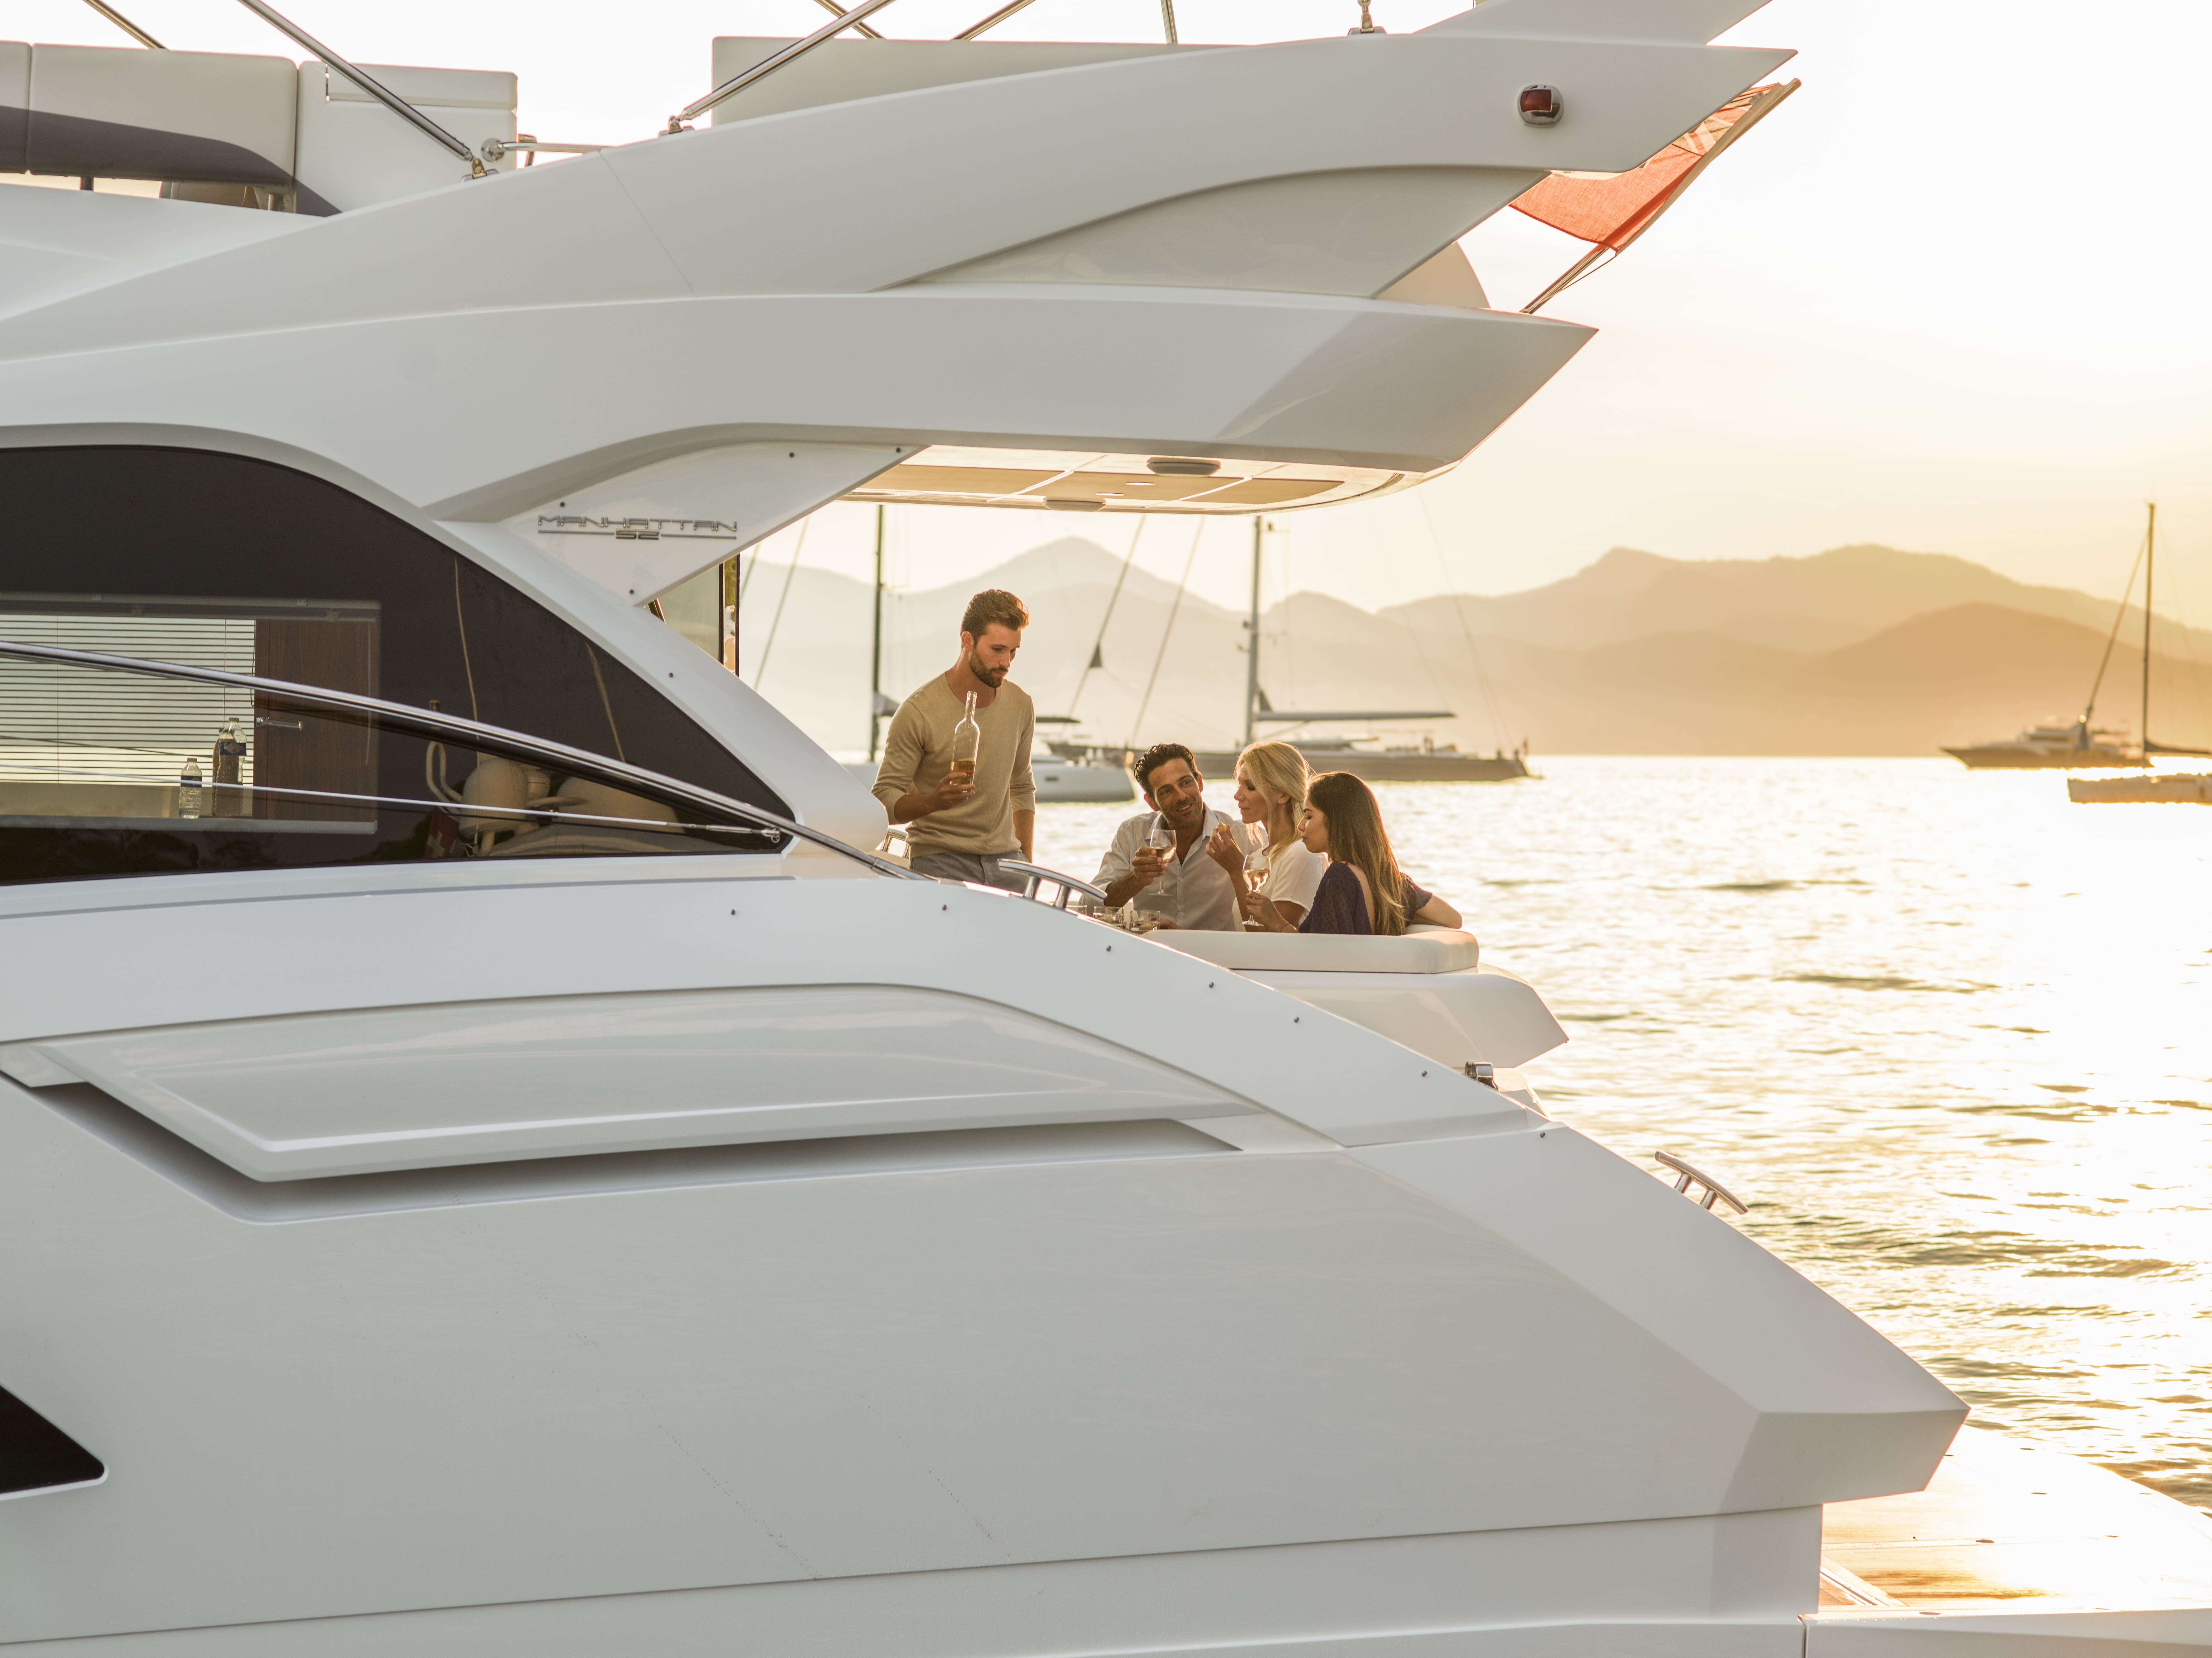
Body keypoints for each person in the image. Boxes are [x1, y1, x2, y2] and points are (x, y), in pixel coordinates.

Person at [872, 589, 1036, 890]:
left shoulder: (1020, 704)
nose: (1006, 662)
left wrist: (1024, 860)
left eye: (1013, 652)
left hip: (1007, 862)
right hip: (939, 859)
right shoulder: (918, 712)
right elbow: (883, 799)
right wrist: (932, 801)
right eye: (997, 649)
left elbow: (1022, 784)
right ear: (967, 640)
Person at [1254, 770, 1464, 935]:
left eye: (1309, 817)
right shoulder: (1392, 883)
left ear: (1337, 822)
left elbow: (1321, 958)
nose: (1300, 826)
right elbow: (1453, 919)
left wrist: (1277, 922)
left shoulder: (1340, 876)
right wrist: (1401, 915)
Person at [1094, 742, 1243, 930]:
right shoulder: (1132, 832)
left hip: (1213, 957)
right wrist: (1135, 880)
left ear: (1200, 782)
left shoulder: (1241, 836)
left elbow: (1266, 919)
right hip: (1152, 954)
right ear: (1152, 803)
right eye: (1166, 791)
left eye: (1186, 783)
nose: (1181, 796)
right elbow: (1090, 906)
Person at [1204, 739, 1323, 929]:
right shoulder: (1259, 857)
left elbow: (1266, 939)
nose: (1238, 796)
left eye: (1250, 786)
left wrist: (1236, 870)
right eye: (1239, 785)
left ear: (1283, 794)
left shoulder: (1301, 853)